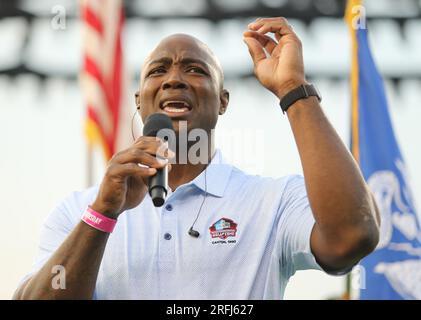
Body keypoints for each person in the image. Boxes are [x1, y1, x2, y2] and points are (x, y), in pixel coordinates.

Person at [13, 17, 380, 300]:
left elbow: (352, 236)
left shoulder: (272, 202)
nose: (174, 79)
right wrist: (103, 214)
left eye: (195, 69)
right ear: (140, 101)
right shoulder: (79, 211)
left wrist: (292, 89)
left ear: (223, 102)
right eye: (159, 70)